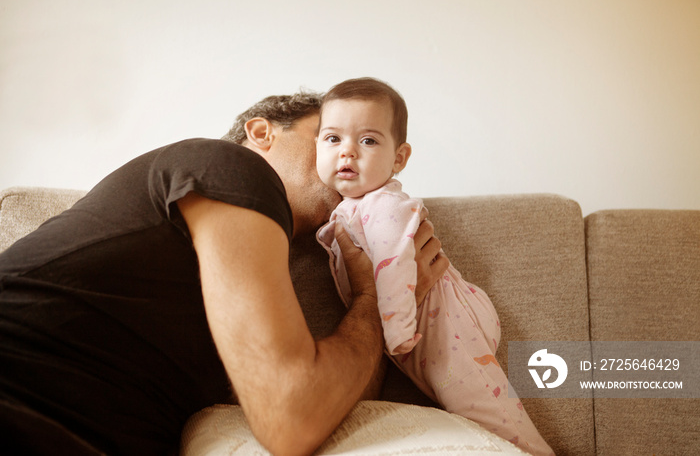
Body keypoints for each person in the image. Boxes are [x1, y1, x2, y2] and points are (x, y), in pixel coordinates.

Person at [0, 91, 447, 456]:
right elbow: (293, 418)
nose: (346, 161)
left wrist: (394, 299)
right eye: (327, 137)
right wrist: (373, 297)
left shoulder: (268, 265)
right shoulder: (231, 167)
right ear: (261, 132)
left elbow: (328, 406)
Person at [315, 78, 554, 456]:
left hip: (445, 323)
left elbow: (393, 268)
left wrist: (397, 332)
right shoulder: (351, 206)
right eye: (332, 139)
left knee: (487, 412)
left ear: (399, 158)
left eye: (368, 141)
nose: (347, 153)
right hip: (436, 321)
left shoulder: (385, 206)